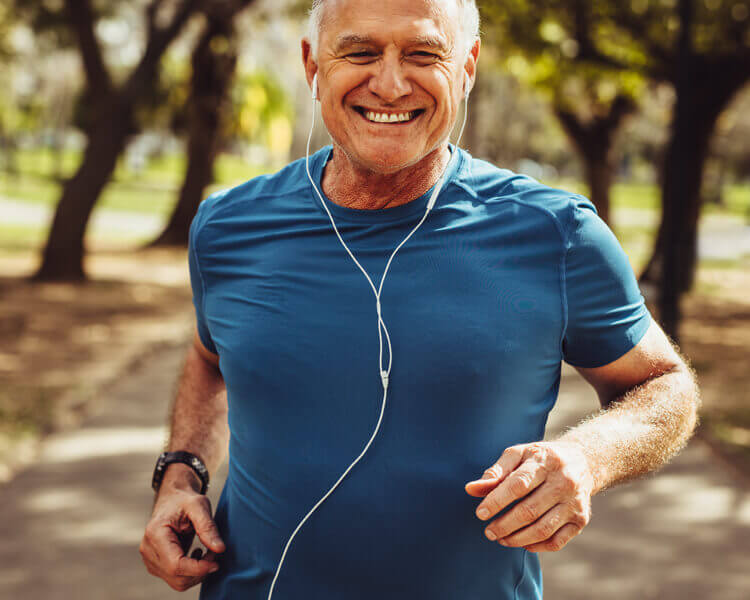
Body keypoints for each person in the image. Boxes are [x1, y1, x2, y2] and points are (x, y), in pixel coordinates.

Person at [139, 0, 701, 598]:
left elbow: (666, 386)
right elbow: (209, 358)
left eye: (423, 53)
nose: (389, 83)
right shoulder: (227, 227)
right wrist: (181, 475)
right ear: (312, 65)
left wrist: (587, 458)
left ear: (468, 66)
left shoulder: (557, 234)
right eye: (359, 51)